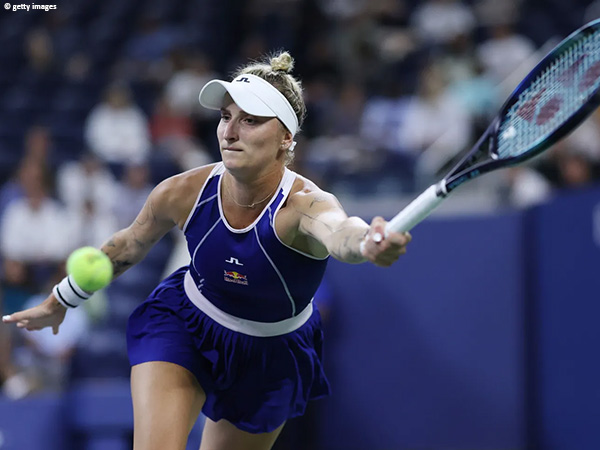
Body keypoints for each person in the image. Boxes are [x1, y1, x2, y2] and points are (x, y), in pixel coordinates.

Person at [2, 51, 411, 450]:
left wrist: (366, 243)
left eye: (250, 121)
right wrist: (62, 299)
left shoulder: (303, 204)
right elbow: (129, 242)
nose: (230, 132)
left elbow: (342, 233)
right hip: (185, 323)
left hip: (270, 353)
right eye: (226, 117)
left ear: (286, 138)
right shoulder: (183, 191)